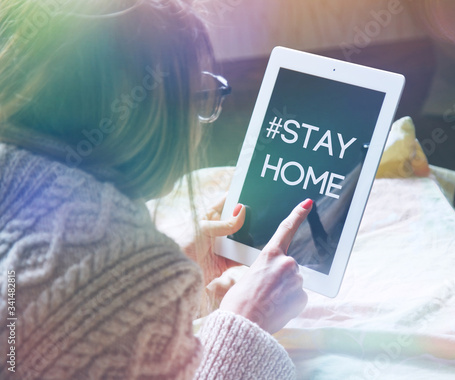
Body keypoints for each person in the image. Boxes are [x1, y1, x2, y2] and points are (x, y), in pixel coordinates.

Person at [0, 1, 310, 378]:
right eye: (200, 98)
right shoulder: (139, 268)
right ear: (155, 118)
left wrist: (143, 284)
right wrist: (245, 322)